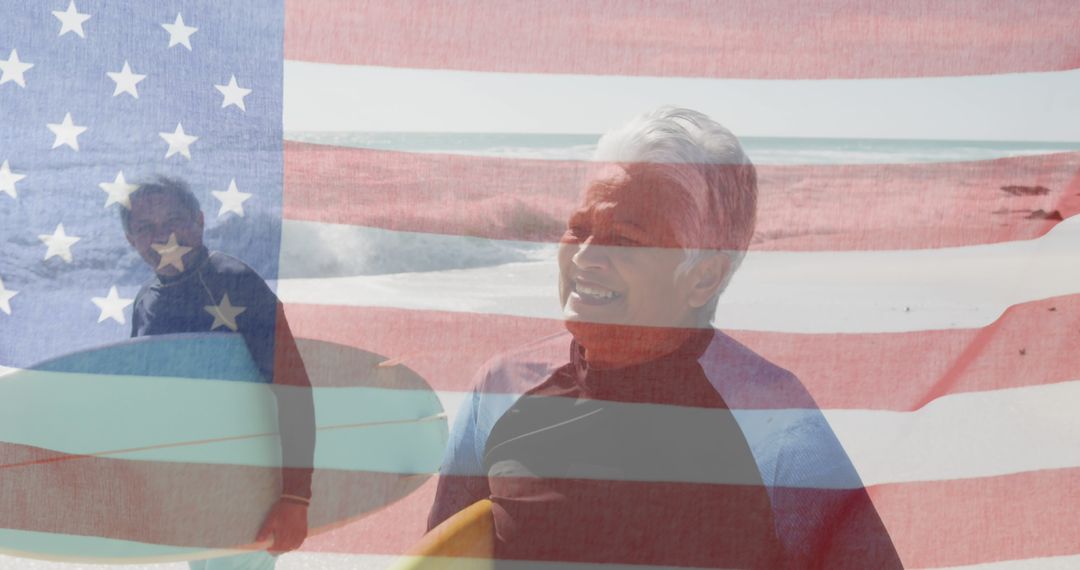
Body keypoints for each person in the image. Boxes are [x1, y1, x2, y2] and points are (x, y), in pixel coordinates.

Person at [428, 108, 901, 568]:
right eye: (579, 228)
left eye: (628, 239)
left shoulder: (774, 423)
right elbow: (437, 558)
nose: (587, 255)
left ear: (703, 277)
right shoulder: (502, 387)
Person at [122, 177, 315, 570]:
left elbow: (293, 387)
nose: (164, 235)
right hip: (190, 485)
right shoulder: (145, 303)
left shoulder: (235, 283)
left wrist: (296, 497)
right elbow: (147, 405)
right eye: (146, 227)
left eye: (174, 219)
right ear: (131, 239)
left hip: (248, 484)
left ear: (199, 221)